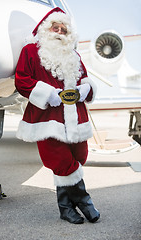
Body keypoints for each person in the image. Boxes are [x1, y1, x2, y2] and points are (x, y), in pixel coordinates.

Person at [15, 7, 100, 224]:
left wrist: (85, 89)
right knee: (60, 160)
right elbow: (22, 80)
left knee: (79, 157)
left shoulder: (74, 55)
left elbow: (86, 80)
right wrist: (48, 94)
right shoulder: (31, 51)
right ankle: (84, 202)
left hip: (76, 116)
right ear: (46, 29)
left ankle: (66, 208)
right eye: (56, 27)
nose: (59, 32)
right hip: (48, 118)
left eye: (64, 29)